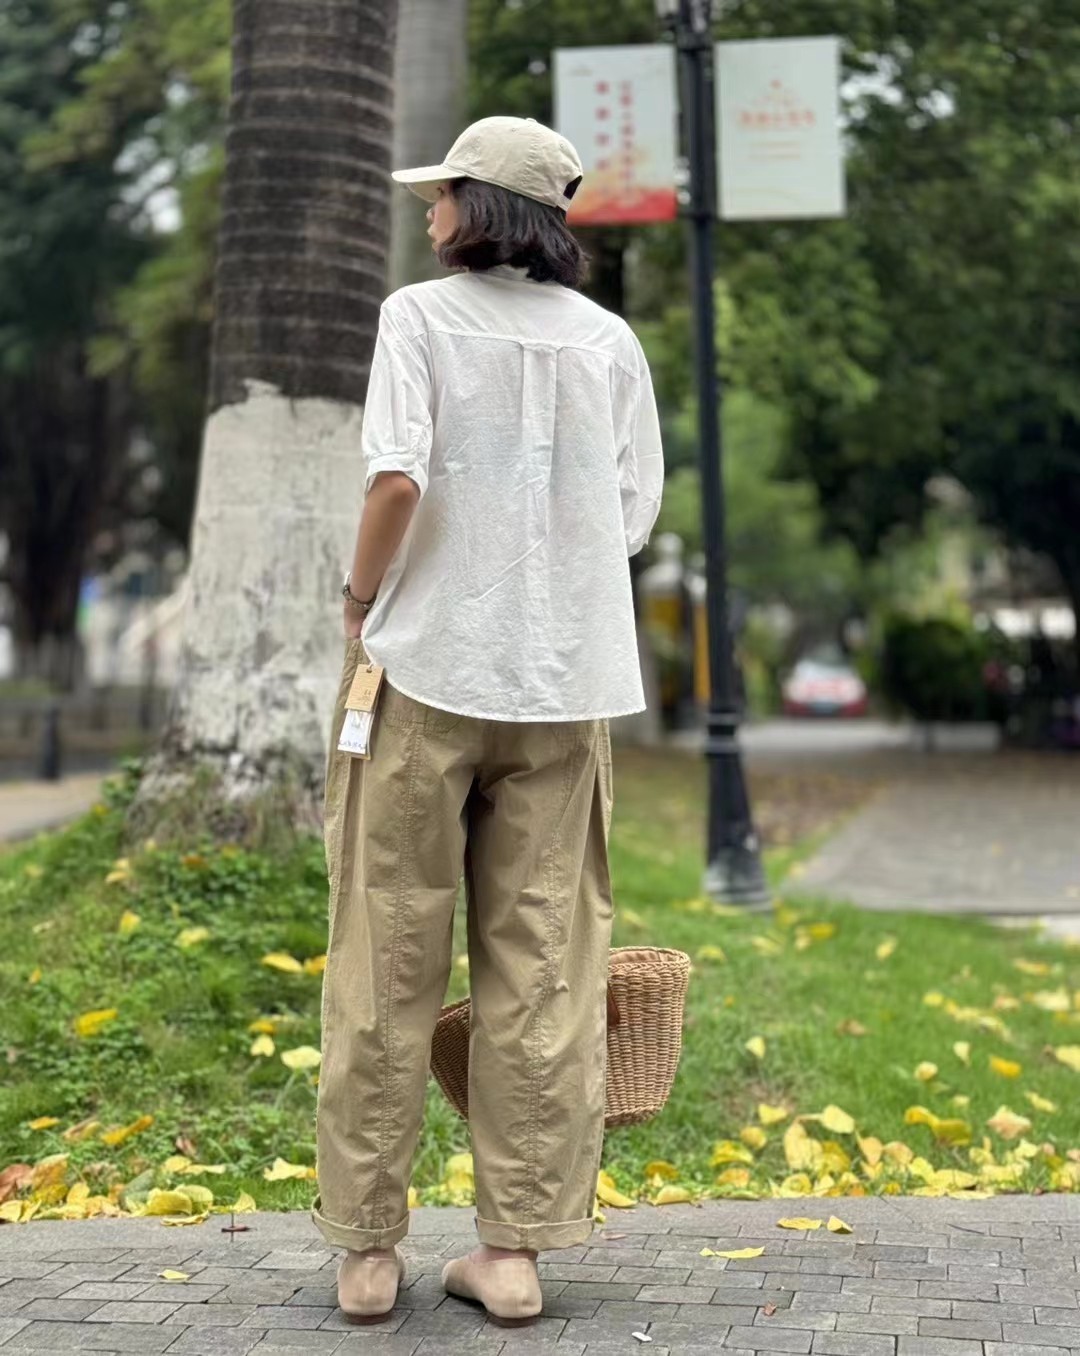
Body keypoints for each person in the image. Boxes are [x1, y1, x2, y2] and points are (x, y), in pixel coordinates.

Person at [313, 116, 664, 1328]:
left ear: (482, 207)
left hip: (425, 674)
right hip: (564, 687)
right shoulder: (609, 342)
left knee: (385, 958)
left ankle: (368, 1256)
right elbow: (630, 514)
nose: (428, 211)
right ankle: (512, 1255)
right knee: (545, 970)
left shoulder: (417, 317)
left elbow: (395, 479)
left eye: (442, 192)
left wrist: (359, 598)